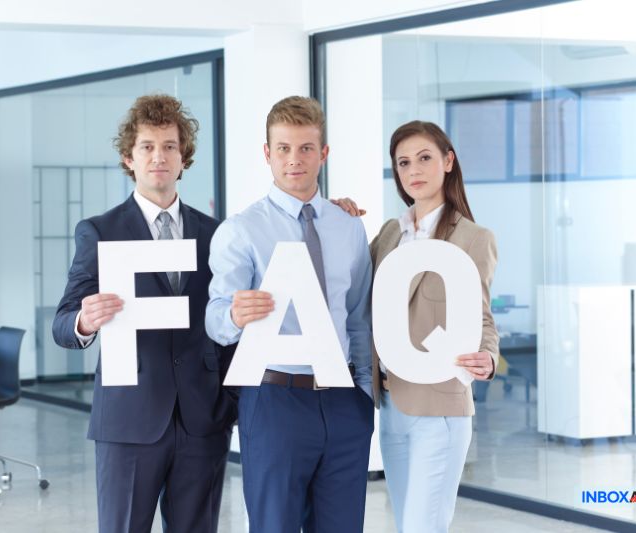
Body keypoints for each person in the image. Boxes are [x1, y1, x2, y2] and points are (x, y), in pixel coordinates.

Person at [52, 94, 237, 533]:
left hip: (202, 420)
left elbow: (227, 318)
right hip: (129, 420)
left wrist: (229, 402)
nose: (159, 156)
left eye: (170, 146)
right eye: (147, 146)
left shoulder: (217, 233)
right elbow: (62, 324)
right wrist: (84, 321)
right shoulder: (100, 231)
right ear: (128, 158)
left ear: (183, 157)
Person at [205, 96, 375, 533]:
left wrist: (362, 395)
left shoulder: (348, 226)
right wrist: (235, 316)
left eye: (305, 148)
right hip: (275, 400)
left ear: (323, 153)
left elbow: (358, 316)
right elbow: (215, 318)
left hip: (342, 403)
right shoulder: (241, 230)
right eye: (283, 148)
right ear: (267, 153)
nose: (294, 160)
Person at [338, 120, 499, 532]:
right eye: (403, 163)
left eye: (425, 158)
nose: (414, 170)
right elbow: (358, 289)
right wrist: (339, 220)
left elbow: (481, 314)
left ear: (448, 161)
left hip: (440, 410)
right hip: (392, 405)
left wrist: (489, 358)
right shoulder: (391, 233)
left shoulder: (472, 238)